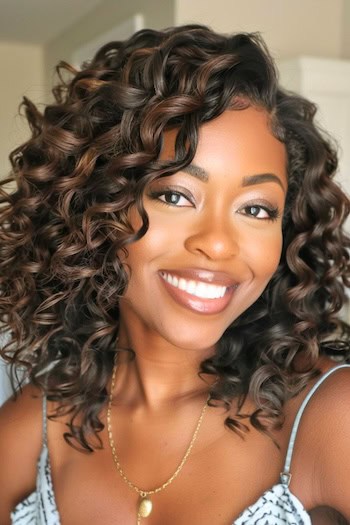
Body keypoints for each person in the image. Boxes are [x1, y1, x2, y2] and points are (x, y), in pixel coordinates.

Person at [0, 24, 349, 525]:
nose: (218, 242)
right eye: (174, 196)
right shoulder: (34, 425)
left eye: (256, 209)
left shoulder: (329, 418)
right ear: (96, 209)